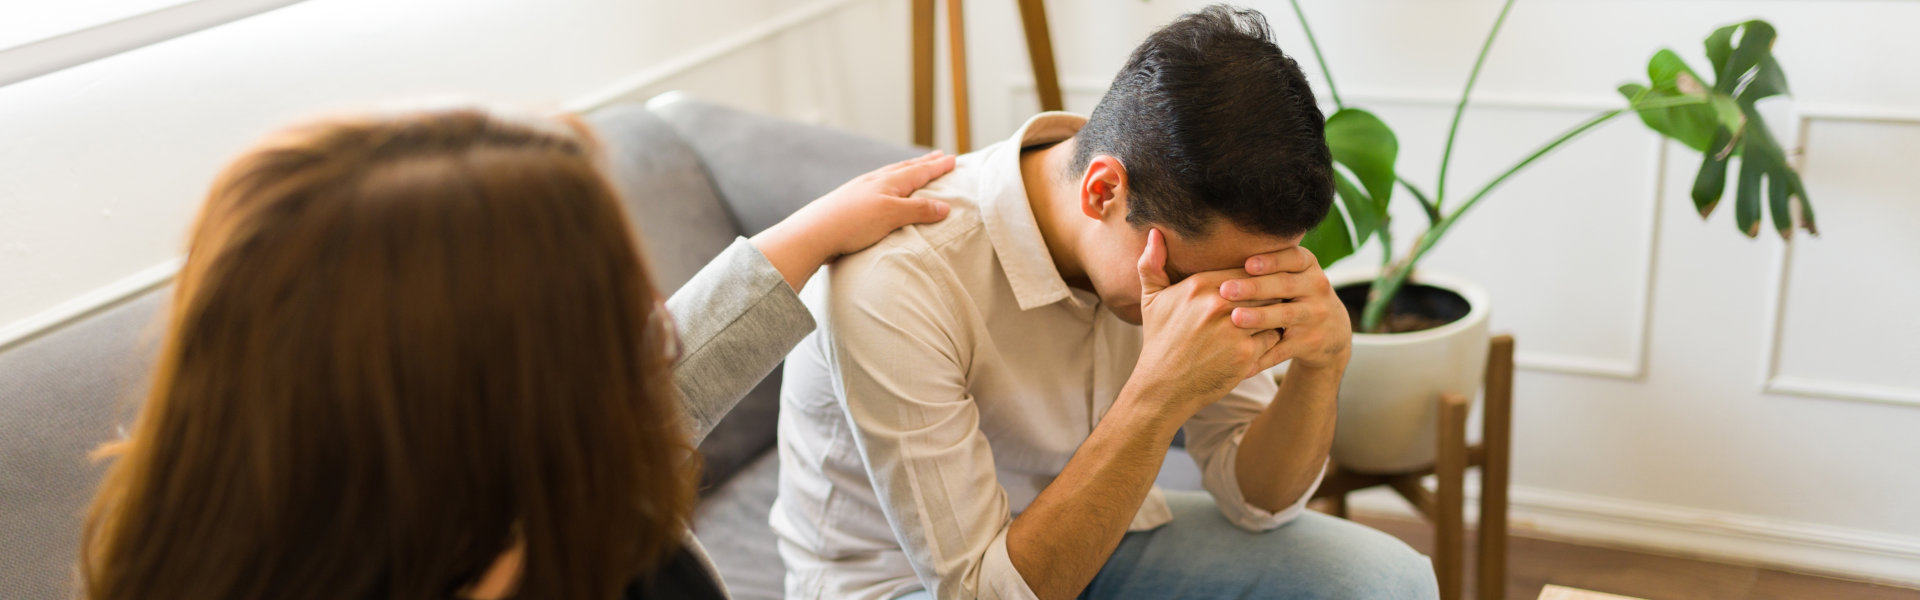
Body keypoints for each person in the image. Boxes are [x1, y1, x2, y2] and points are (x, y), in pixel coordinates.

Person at [78, 106, 955, 599]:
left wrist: (813, 233)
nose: (658, 315)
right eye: (614, 308)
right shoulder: (627, 564)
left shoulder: (232, 536)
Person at [772, 6, 1439, 599]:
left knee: (1387, 582)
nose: (1215, 309)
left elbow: (1256, 501)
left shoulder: (1204, 237)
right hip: (913, 583)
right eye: (1192, 280)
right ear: (1103, 193)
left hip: (1097, 534)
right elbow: (983, 590)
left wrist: (1321, 367)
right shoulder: (899, 278)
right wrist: (1159, 394)